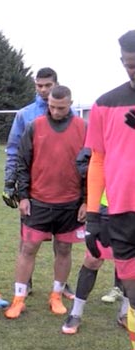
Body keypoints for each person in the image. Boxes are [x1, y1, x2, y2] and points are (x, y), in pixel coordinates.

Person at [4, 86, 86, 319]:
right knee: (28, 248)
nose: (56, 111)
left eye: (61, 107)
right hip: (38, 202)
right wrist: (23, 196)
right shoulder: (35, 126)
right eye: (51, 106)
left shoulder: (83, 128)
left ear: (70, 104)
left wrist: (86, 201)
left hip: (70, 202)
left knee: (63, 249)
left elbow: (90, 167)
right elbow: (22, 162)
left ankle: (56, 295)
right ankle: (19, 298)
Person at [85, 29, 135, 349]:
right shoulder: (104, 104)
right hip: (120, 213)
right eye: (131, 64)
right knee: (133, 295)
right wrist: (92, 215)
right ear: (122, 61)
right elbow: (97, 162)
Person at [61, 148, 128, 334]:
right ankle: (76, 313)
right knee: (93, 259)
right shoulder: (111, 126)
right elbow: (88, 161)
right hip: (107, 206)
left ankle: (126, 313)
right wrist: (93, 212)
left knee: (129, 262)